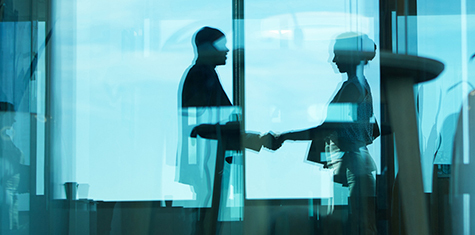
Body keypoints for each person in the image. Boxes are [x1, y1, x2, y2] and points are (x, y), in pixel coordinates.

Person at [274, 32, 379, 235]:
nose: (333, 60)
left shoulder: (352, 88)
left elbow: (325, 128)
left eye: (337, 55)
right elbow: (374, 131)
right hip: (352, 166)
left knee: (360, 227)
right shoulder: (359, 85)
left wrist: (285, 136)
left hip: (353, 168)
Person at [177, 26, 274, 235]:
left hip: (214, 158)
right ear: (205, 48)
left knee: (210, 214)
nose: (227, 50)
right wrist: (251, 139)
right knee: (208, 215)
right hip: (209, 160)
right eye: (221, 45)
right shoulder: (201, 75)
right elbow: (199, 127)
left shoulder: (204, 74)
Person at [0, 102, 23, 232]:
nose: (14, 120)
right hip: (4, 196)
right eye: (11, 116)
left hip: (10, 196)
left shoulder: (6, 139)